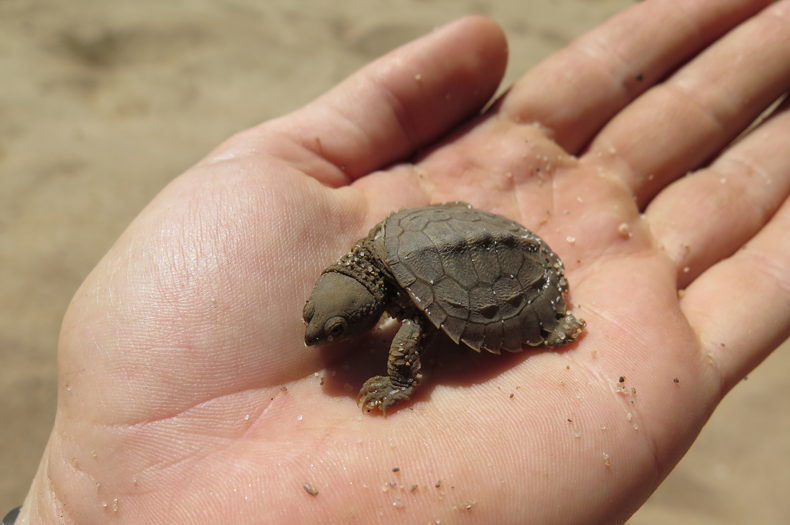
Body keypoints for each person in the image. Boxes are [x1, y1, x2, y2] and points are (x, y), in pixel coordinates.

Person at [12, 1, 790, 523]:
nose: (322, 339)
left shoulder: (403, 310)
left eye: (332, 325)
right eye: (327, 325)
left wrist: (394, 376)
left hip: (495, 263)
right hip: (452, 242)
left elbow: (409, 344)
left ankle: (547, 321)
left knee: (521, 321)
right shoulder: (374, 246)